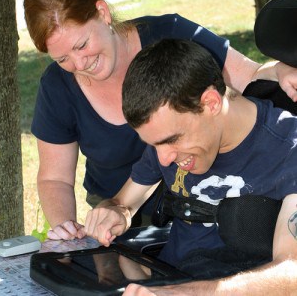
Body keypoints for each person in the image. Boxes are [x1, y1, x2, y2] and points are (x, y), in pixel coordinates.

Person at [23, 0, 297, 241]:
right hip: (120, 202)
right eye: (63, 59)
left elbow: (250, 78)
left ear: (102, 13)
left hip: (199, 193)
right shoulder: (58, 88)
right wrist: (68, 228)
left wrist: (280, 71)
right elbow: (54, 179)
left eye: (81, 45)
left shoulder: (172, 38)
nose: (79, 65)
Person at [84, 39, 297, 295]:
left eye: (171, 140)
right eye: (154, 144)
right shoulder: (168, 138)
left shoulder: (288, 149)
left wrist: (182, 293)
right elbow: (123, 203)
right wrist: (113, 213)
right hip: (166, 278)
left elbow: (291, 272)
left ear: (211, 103)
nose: (163, 158)